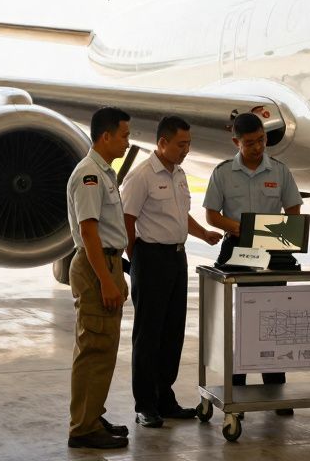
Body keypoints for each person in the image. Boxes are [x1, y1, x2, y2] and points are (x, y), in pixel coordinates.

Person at [122, 115, 223, 428]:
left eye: (188, 144)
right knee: (148, 335)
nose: (186, 150)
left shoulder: (179, 174)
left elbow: (181, 214)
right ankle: (145, 405)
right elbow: (127, 219)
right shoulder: (141, 175)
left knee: (172, 332)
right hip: (150, 258)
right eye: (181, 144)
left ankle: (165, 399)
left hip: (177, 258)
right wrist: (136, 258)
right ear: (162, 142)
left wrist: (203, 234)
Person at [203, 111, 303, 413]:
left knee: (274, 321)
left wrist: (273, 233)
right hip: (238, 249)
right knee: (241, 323)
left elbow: (294, 210)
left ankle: (276, 391)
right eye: (250, 143)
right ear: (236, 142)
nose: (258, 147)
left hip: (272, 250)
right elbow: (212, 215)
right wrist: (241, 229)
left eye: (261, 140)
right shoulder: (222, 172)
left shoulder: (280, 171)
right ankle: (238, 392)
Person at [66, 106, 133, 450]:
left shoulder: (103, 172)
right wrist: (106, 280)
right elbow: (88, 232)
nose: (127, 142)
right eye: (124, 135)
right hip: (97, 267)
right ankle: (83, 428)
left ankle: (92, 415)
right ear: (106, 136)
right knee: (94, 347)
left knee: (103, 348)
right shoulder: (89, 174)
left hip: (108, 263)